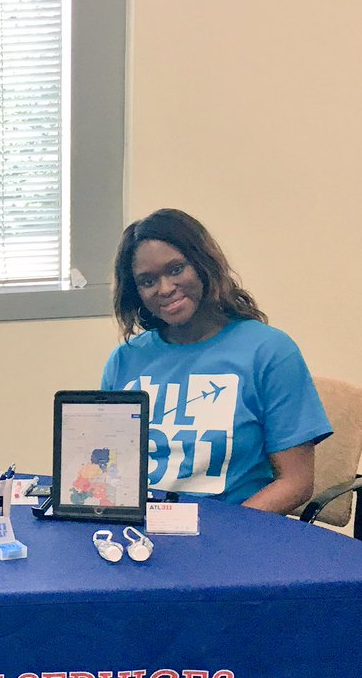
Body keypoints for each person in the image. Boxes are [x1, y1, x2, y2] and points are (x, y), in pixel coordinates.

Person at [102, 209, 331, 514]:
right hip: (142, 534)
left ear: (203, 265)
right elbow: (108, 468)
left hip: (234, 535)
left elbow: (296, 483)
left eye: (175, 269)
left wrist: (220, 534)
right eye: (147, 281)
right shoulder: (125, 360)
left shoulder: (270, 352)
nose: (165, 288)